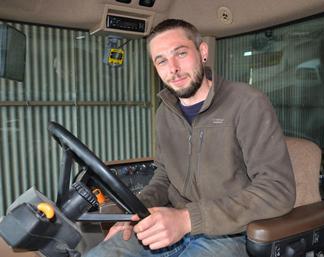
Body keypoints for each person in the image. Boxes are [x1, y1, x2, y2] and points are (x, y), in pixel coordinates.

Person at [85, 18, 295, 257]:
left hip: (229, 233)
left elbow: (278, 191)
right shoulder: (165, 113)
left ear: (202, 52)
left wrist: (187, 219)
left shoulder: (247, 103)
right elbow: (165, 177)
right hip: (173, 223)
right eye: (161, 60)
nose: (172, 68)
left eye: (181, 54)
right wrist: (134, 214)